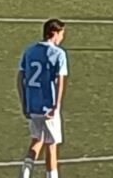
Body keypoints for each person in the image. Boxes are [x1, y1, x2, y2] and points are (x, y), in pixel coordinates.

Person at [17, 19, 69, 178]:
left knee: (37, 140)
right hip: (48, 107)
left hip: (33, 106)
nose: (62, 38)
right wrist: (56, 106)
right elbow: (60, 81)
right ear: (54, 33)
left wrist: (24, 103)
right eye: (61, 34)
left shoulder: (29, 51)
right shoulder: (59, 54)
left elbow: (20, 78)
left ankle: (25, 174)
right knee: (51, 146)